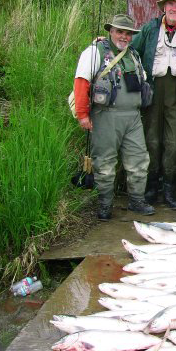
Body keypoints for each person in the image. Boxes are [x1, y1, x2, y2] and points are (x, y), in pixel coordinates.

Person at [73, 14, 155, 220]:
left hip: (134, 118)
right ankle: (105, 206)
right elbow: (81, 83)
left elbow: (142, 80)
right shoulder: (94, 52)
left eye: (128, 33)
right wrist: (83, 115)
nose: (124, 36)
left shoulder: (134, 55)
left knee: (139, 161)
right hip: (105, 116)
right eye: (120, 31)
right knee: (105, 164)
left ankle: (137, 201)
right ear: (110, 31)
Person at [130, 0, 176, 211]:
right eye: (170, 4)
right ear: (163, 7)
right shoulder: (150, 28)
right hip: (152, 88)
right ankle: (152, 186)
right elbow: (131, 51)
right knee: (152, 139)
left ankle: (169, 188)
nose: (174, 8)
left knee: (173, 141)